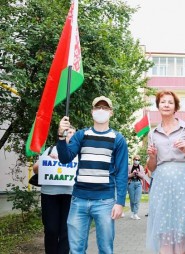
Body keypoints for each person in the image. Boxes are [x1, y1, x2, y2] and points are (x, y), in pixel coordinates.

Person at [56, 96, 128, 254]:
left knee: (106, 249)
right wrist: (61, 137)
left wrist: (120, 202)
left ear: (111, 113)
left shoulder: (118, 139)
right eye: (97, 107)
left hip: (105, 201)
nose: (101, 111)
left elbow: (122, 173)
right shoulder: (81, 135)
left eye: (105, 108)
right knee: (76, 250)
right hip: (78, 200)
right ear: (92, 112)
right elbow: (65, 158)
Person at [146, 90, 185, 254]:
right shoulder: (153, 133)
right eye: (163, 101)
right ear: (158, 105)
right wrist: (152, 156)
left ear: (175, 107)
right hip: (161, 183)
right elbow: (151, 167)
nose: (166, 105)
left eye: (170, 102)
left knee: (179, 232)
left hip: (182, 183)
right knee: (164, 230)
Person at [33, 126, 76, 254]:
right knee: (51, 229)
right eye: (69, 132)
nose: (71, 135)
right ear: (62, 133)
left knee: (66, 230)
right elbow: (35, 169)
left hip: (70, 195)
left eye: (74, 133)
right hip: (49, 195)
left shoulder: (77, 152)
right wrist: (47, 160)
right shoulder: (51, 149)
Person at [128, 155, 145, 220]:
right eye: (135, 159)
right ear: (133, 160)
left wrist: (138, 173)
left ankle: (135, 214)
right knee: (132, 199)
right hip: (131, 183)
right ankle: (132, 212)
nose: (137, 161)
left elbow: (143, 176)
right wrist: (132, 174)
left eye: (138, 160)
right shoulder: (129, 167)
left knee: (137, 199)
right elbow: (126, 175)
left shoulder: (141, 167)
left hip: (138, 184)